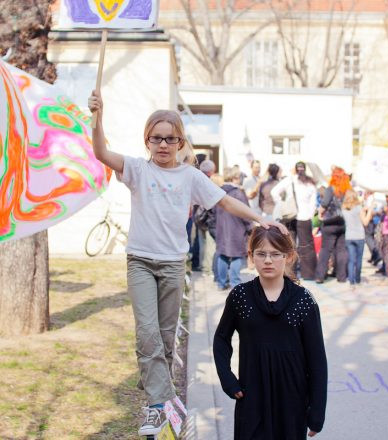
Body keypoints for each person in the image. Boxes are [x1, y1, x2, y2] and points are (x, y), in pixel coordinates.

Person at [88, 91, 287, 436]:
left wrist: (260, 219)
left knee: (165, 339)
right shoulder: (136, 168)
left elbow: (224, 202)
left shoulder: (191, 177)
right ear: (147, 140)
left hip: (172, 265)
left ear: (180, 141)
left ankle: (158, 400)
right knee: (147, 333)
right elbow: (100, 152)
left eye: (170, 138)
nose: (163, 144)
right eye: (156, 138)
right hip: (140, 262)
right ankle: (158, 404)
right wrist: (98, 117)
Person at [214, 226, 327, 439]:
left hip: (292, 400)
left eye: (275, 254)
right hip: (252, 396)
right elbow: (221, 338)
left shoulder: (303, 301)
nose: (268, 260)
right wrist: (227, 378)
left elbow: (317, 360)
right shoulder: (240, 297)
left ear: (289, 256)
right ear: (251, 256)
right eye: (261, 254)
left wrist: (317, 411)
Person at [271, 161, 318, 280]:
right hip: (304, 217)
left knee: (289, 246)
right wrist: (310, 214)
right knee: (306, 246)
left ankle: (290, 274)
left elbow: (274, 192)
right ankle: (308, 274)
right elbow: (313, 203)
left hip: (289, 216)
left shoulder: (290, 180)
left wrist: (281, 204)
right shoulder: (310, 183)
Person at [216, 167, 252, 289]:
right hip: (237, 229)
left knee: (222, 254)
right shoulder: (238, 193)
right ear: (235, 178)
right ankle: (235, 282)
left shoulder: (218, 191)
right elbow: (246, 212)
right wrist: (250, 227)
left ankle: (221, 283)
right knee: (237, 255)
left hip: (221, 228)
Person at [315, 167, 350, 283]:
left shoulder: (331, 189)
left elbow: (324, 204)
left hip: (329, 223)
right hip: (342, 223)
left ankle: (320, 276)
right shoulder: (347, 190)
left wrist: (319, 215)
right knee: (341, 250)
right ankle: (341, 276)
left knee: (325, 249)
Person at [341, 189, 371, 288]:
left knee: (351, 260)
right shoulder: (358, 208)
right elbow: (365, 222)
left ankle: (351, 282)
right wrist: (370, 211)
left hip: (349, 236)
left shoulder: (343, 208)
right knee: (358, 260)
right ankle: (357, 279)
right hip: (359, 236)